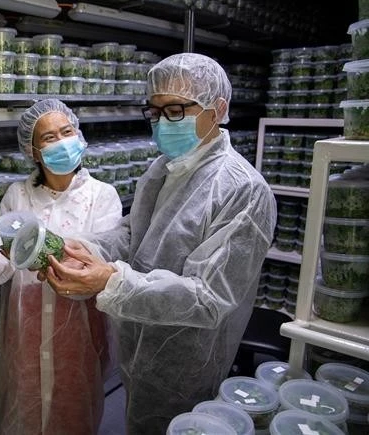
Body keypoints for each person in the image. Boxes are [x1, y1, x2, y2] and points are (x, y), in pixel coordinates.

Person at [40, 53, 278, 434]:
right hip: (140, 338)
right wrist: (85, 248)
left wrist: (112, 283)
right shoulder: (164, 168)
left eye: (175, 110)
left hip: (188, 358)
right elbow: (135, 232)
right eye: (154, 112)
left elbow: (208, 298)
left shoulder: (243, 190)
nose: (162, 123)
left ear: (217, 110)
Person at [0, 99, 123, 435]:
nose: (61, 142)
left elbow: (96, 270)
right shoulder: (17, 196)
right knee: (24, 407)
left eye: (67, 132)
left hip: (79, 331)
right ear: (33, 151)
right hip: (25, 333)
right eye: (48, 138)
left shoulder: (102, 197)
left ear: (79, 135)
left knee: (74, 408)